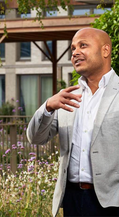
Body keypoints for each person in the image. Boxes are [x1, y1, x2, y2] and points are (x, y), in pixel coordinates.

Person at [27, 28, 119, 216]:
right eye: (73, 49)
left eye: (83, 45)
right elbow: (36, 138)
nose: (75, 52)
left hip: (112, 203)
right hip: (71, 200)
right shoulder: (67, 97)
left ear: (105, 51)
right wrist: (47, 108)